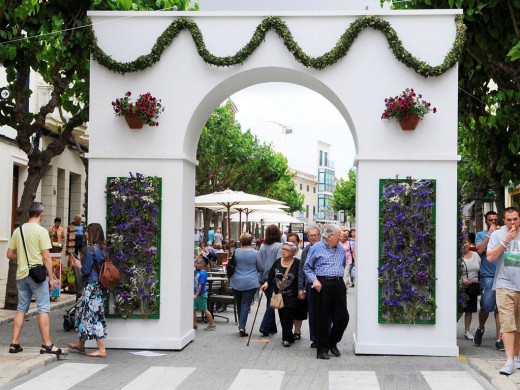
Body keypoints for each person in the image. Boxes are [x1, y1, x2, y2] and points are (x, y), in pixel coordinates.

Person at [7, 202, 63, 355]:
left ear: (27, 214)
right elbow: (46, 256)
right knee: (43, 308)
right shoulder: (42, 231)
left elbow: (9, 254)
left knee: (21, 308)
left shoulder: (18, 230)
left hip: (21, 275)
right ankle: (47, 344)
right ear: (42, 214)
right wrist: (51, 278)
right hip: (37, 276)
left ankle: (14, 343)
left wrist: (23, 256)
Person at [304, 224, 349, 360]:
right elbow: (307, 267)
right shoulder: (316, 248)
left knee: (343, 318)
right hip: (322, 284)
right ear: (329, 236)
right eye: (338, 236)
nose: (340, 238)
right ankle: (322, 349)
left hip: (338, 283)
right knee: (322, 318)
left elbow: (342, 264)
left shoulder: (340, 248)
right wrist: (314, 280)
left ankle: (332, 343)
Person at [486, 207, 520, 375]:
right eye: (509, 220)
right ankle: (509, 361)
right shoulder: (497, 235)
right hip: (504, 285)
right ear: (504, 221)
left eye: (515, 219)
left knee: (518, 325)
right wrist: (505, 241)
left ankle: (515, 356)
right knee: (507, 324)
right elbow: (490, 257)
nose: (512, 222)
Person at [68, 223, 109, 357]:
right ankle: (81, 344)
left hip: (92, 286)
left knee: (94, 316)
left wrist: (78, 264)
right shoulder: (103, 249)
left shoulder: (91, 250)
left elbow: (85, 270)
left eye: (87, 232)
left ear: (92, 234)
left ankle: (101, 349)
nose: (85, 234)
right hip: (99, 287)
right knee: (85, 314)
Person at [473, 211, 503, 350]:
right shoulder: (480, 235)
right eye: (490, 220)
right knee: (486, 307)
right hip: (488, 276)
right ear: (486, 221)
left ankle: (499, 339)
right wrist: (489, 234)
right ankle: (480, 328)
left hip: (502, 275)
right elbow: (479, 250)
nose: (493, 222)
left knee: (500, 309)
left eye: (495, 220)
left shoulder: (503, 233)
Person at [261, 242, 300, 347]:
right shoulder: (278, 262)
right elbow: (271, 276)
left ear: (292, 252)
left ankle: (285, 339)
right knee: (282, 316)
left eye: (286, 250)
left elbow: (301, 278)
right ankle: (289, 336)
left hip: (292, 295)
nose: (283, 251)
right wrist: (266, 283)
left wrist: (301, 290)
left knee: (288, 317)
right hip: (279, 295)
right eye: (283, 249)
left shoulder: (297, 263)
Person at [229, 233, 264, 337]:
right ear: (250, 242)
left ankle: (241, 325)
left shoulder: (236, 252)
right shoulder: (255, 253)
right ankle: (242, 326)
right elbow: (261, 268)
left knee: (239, 303)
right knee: (245, 304)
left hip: (236, 281)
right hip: (250, 281)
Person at [298, 225, 324, 348]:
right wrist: (300, 288)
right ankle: (314, 338)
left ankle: (325, 337)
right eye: (310, 236)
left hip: (325, 284)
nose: (313, 238)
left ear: (320, 235)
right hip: (310, 285)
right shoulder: (306, 250)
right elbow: (302, 270)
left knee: (326, 312)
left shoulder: (326, 248)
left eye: (315, 235)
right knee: (312, 313)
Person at [258, 225, 283, 336]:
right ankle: (264, 326)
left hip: (263, 277)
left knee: (269, 300)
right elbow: (278, 262)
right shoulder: (279, 246)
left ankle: (272, 327)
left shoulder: (263, 246)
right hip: (272, 277)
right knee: (271, 303)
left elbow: (259, 261)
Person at [460, 235, 481, 340]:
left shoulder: (476, 255)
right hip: (461, 287)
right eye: (462, 243)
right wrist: (461, 281)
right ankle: (449, 330)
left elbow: (480, 269)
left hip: (473, 287)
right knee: (459, 310)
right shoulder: (458, 257)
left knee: (469, 310)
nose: (464, 245)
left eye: (466, 242)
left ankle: (466, 331)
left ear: (469, 243)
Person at [287, 233, 306, 339]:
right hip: (288, 287)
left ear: (298, 242)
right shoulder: (285, 253)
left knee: (299, 310)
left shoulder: (302, 254)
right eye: (289, 242)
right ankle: (288, 330)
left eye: (293, 242)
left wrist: (302, 287)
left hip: (299, 285)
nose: (291, 244)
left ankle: (297, 331)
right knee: (288, 310)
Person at [193, 255, 216, 331]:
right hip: (196, 294)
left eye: (198, 262)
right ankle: (194, 324)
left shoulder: (203, 273)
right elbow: (193, 263)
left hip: (201, 294)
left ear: (203, 264)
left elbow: (201, 285)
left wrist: (196, 294)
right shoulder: (198, 271)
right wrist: (199, 256)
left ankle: (212, 324)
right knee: (193, 309)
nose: (196, 264)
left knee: (204, 309)